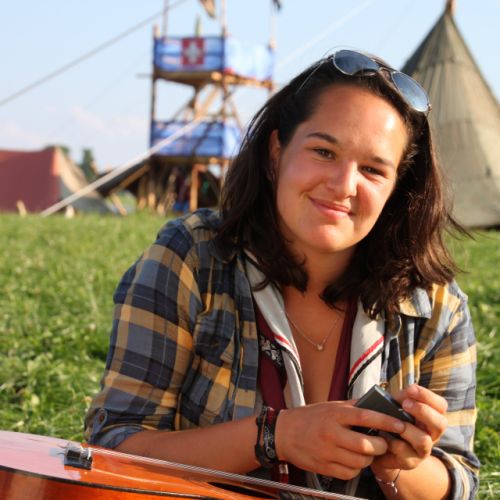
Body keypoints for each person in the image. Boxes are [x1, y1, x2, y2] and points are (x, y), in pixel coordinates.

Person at [84, 49, 480, 499]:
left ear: (397, 189)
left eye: (372, 169)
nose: (343, 185)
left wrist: (399, 466)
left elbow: (459, 480)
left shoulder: (434, 304)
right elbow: (112, 447)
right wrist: (276, 435)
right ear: (276, 153)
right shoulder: (192, 259)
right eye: (323, 151)